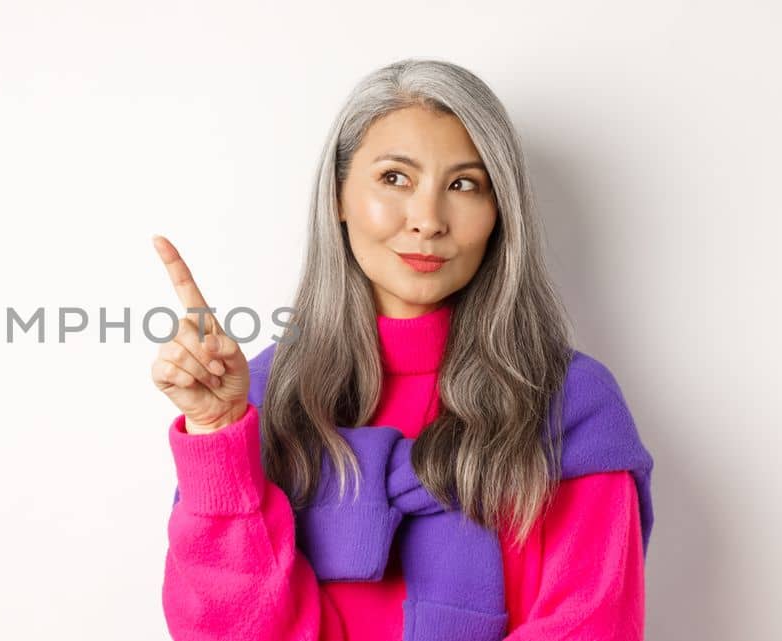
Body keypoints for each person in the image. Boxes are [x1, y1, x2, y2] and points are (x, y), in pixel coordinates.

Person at [151, 58, 648, 641]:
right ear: (338, 196)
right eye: (395, 178)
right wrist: (215, 431)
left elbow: (594, 625)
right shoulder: (259, 400)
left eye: (464, 185)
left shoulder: (570, 403)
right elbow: (227, 630)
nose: (428, 220)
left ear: (500, 214)